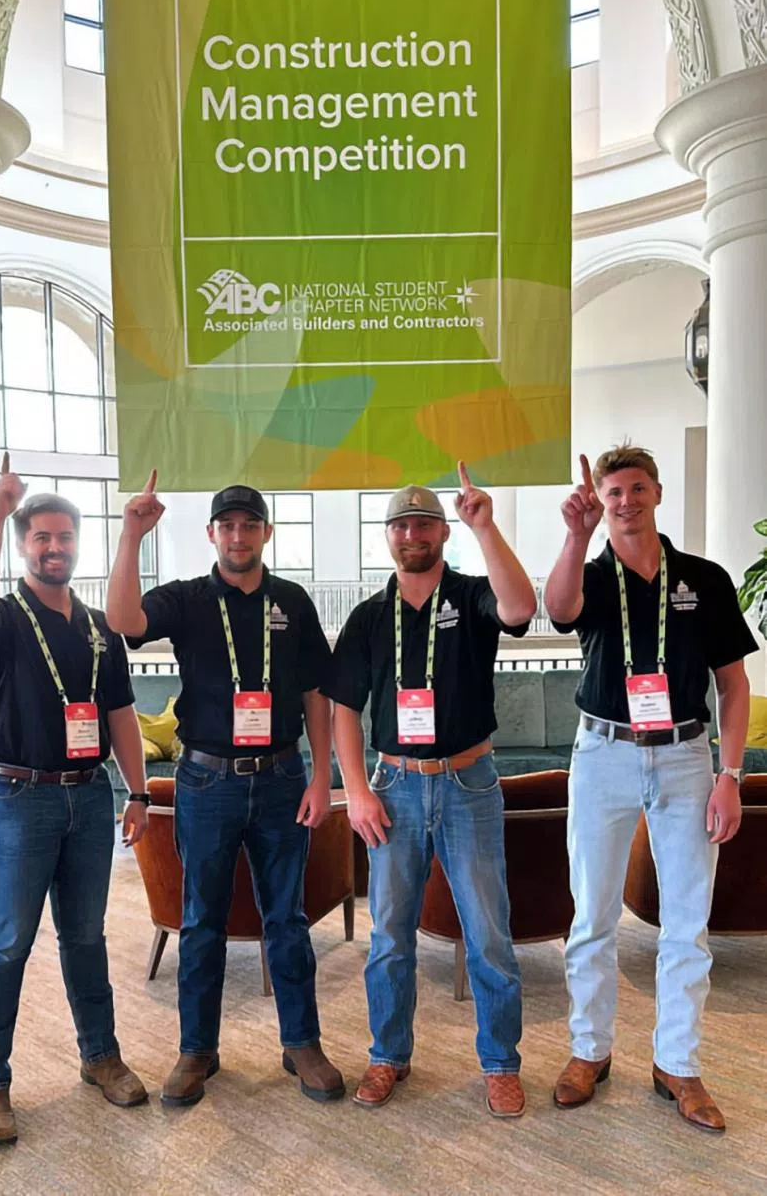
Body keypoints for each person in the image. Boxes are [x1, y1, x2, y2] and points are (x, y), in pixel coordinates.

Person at [106, 477, 344, 1106]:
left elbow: (316, 693)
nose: (239, 536)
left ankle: (302, 1042)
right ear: (212, 534)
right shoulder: (186, 599)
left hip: (282, 778)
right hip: (206, 780)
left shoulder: (292, 601)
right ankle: (197, 1049)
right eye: (228, 526)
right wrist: (131, 534)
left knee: (287, 918)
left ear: (267, 533)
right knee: (202, 920)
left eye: (250, 525)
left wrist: (323, 776)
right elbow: (123, 621)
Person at [545, 445, 756, 1132]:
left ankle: (678, 1064)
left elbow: (732, 684)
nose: (626, 500)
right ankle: (589, 1050)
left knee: (687, 919)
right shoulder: (590, 573)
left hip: (687, 755)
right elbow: (557, 608)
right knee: (592, 914)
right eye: (614, 491)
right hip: (603, 751)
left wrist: (730, 775)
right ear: (601, 501)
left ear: (658, 493)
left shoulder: (704, 579)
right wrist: (575, 534)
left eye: (637, 488)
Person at [324, 467, 538, 1116]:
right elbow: (342, 708)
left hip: (470, 783)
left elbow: (521, 609)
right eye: (400, 525)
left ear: (443, 533)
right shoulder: (369, 617)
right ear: (388, 536)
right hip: (394, 789)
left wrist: (486, 527)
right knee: (390, 935)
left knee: (488, 933)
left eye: (423, 523)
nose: (411, 533)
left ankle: (500, 1062)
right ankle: (388, 1053)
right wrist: (356, 789)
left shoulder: (472, 596)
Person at [0, 454, 150, 1148]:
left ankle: (100, 1055)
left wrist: (138, 791)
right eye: (41, 537)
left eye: (65, 537)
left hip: (88, 798)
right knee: (7, 942)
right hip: (14, 796)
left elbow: (119, 713)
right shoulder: (5, 617)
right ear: (23, 546)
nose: (54, 547)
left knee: (87, 936)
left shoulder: (99, 627)